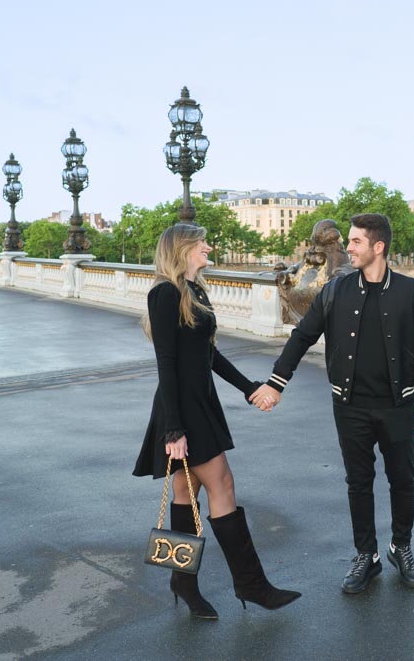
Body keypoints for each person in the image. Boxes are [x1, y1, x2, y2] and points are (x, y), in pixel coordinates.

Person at [250, 213, 414, 594]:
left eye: (355, 242)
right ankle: (366, 555)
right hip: (349, 405)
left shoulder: (413, 291)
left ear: (379, 247)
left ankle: (400, 548)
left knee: (402, 479)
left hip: (397, 405)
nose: (347, 248)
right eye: (349, 241)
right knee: (359, 482)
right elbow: (302, 336)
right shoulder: (336, 291)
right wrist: (277, 383)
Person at [133, 223, 300, 619]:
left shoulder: (194, 291)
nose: (209, 246)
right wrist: (173, 429)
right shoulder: (165, 293)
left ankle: (184, 582)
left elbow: (209, 356)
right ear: (183, 249)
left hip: (198, 403)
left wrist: (248, 387)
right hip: (182, 409)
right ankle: (251, 584)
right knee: (221, 483)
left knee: (185, 492)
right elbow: (167, 364)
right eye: (201, 243)